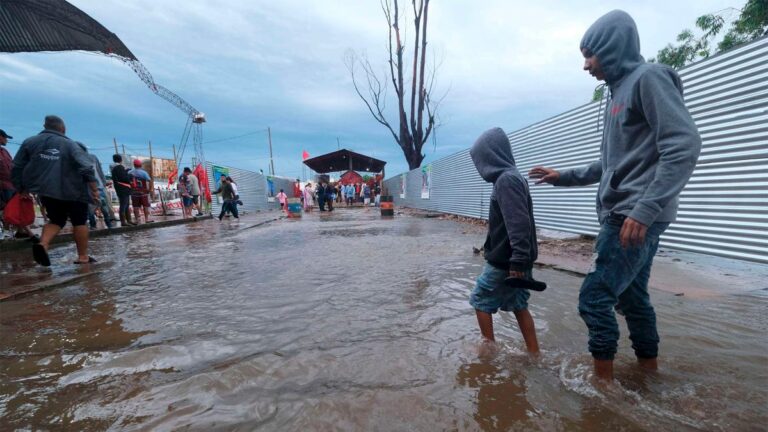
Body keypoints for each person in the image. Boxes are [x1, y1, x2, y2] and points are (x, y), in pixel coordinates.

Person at [529, 10, 701, 381]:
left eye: (589, 54)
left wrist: (644, 209)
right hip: (629, 213)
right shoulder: (616, 93)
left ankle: (603, 394)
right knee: (632, 298)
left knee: (593, 299)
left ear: (611, 48)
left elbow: (683, 145)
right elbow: (610, 163)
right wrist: (563, 177)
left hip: (631, 216)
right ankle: (648, 377)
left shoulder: (649, 78)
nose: (586, 65)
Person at [468, 127, 540, 354]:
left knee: (480, 299)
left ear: (491, 156)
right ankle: (534, 353)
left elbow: (518, 223)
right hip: (517, 258)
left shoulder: (506, 180)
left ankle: (489, 351)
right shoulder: (513, 177)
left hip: (506, 260)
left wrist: (517, 260)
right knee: (519, 304)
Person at [11, 115, 100, 265]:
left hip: (46, 190)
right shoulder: (70, 145)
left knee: (56, 219)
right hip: (74, 190)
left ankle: (43, 244)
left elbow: (17, 167)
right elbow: (86, 167)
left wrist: (21, 187)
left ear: (45, 127)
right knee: (79, 221)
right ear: (63, 129)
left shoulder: (29, 142)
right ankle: (83, 257)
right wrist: (94, 189)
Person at [0, 128, 32, 239]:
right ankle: (8, 231)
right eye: (5, 138)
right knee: (6, 209)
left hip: (12, 185)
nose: (6, 140)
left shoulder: (5, 152)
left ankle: (20, 231)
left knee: (15, 208)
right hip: (2, 186)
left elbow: (13, 167)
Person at [78, 143, 113, 230]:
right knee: (92, 208)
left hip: (97, 187)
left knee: (102, 207)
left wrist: (103, 182)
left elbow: (99, 170)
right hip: (90, 188)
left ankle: (107, 225)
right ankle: (95, 225)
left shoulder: (92, 157)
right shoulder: (78, 159)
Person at [110, 154, 135, 226]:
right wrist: (130, 176)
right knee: (124, 205)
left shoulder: (114, 168)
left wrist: (125, 171)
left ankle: (128, 220)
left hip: (120, 188)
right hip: (123, 189)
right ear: (121, 160)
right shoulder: (119, 167)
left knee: (126, 204)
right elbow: (124, 178)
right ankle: (124, 221)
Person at [128, 159, 153, 224]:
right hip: (143, 192)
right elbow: (150, 181)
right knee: (145, 206)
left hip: (133, 192)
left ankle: (137, 219)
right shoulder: (143, 172)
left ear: (134, 165)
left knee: (135, 206)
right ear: (140, 165)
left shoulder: (130, 172)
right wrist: (149, 189)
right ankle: (146, 219)